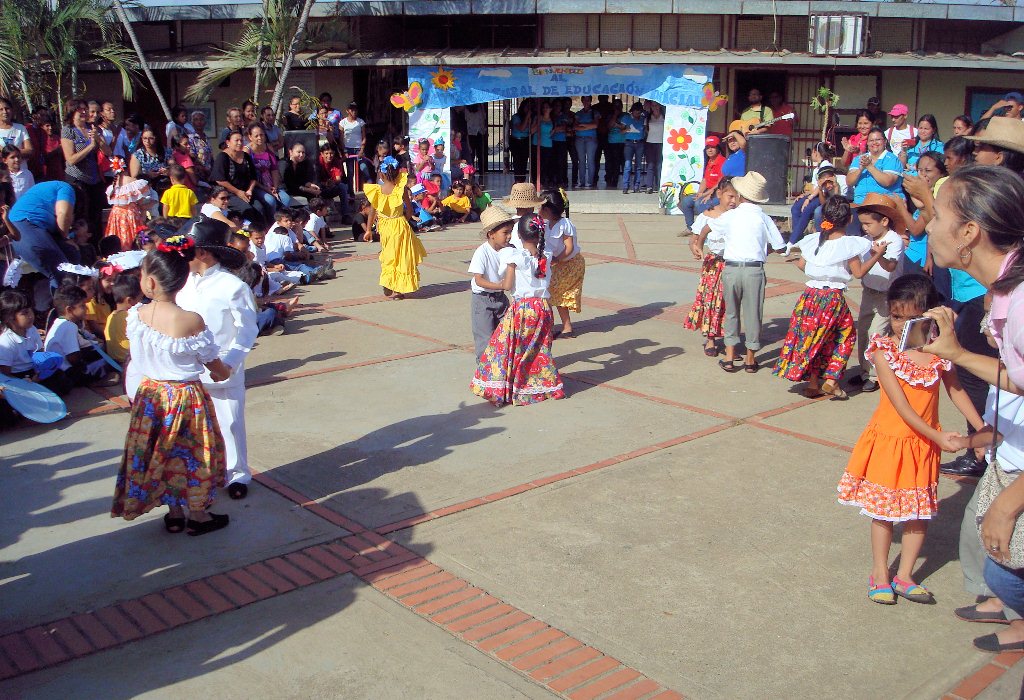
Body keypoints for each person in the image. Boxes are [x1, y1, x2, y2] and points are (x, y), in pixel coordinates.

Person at [913, 166, 1024, 652]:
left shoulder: (1020, 302)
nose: (928, 226)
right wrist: (957, 355)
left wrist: (1011, 499)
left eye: (936, 216)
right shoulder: (1002, 291)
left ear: (969, 233)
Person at [837, 273, 982, 604]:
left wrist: (980, 428)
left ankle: (904, 576)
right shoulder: (884, 351)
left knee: (919, 512)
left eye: (909, 316)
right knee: (885, 512)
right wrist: (939, 436)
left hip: (924, 446)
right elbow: (901, 407)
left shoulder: (939, 351)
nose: (901, 324)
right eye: (896, 316)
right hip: (892, 441)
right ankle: (879, 573)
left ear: (929, 313)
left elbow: (956, 389)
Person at [113, 235, 231, 534]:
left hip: (150, 395)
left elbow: (137, 358)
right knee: (193, 456)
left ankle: (174, 513)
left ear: (150, 282)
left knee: (160, 453)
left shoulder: (135, 316)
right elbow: (216, 368)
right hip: (184, 398)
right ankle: (198, 516)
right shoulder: (190, 320)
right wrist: (224, 371)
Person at [175, 219, 258, 500]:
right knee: (193, 428)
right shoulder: (182, 285)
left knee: (231, 422)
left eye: (188, 249)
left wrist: (231, 362)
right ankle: (204, 471)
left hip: (223, 366)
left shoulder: (232, 286)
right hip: (188, 368)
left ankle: (237, 474)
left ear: (203, 253)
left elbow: (247, 328)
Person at [774, 196, 886, 399]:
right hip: (832, 297)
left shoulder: (815, 240)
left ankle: (813, 384)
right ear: (849, 219)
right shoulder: (849, 245)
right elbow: (858, 272)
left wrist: (819, 271)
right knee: (845, 336)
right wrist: (878, 255)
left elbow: (801, 264)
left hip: (810, 296)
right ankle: (832, 379)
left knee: (817, 338)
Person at [471, 214, 565, 406]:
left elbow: (506, 283)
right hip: (543, 308)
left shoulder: (513, 256)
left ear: (518, 236)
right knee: (538, 350)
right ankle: (541, 385)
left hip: (523, 309)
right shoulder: (545, 254)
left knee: (504, 349)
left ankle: (500, 389)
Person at [707, 172, 785, 373]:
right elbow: (779, 245)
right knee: (753, 314)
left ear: (740, 195)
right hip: (754, 270)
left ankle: (730, 356)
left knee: (732, 313)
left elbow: (710, 227)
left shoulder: (731, 216)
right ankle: (751, 359)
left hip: (732, 268)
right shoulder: (764, 218)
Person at [847, 194, 905, 394]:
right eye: (863, 224)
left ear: (884, 221)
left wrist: (878, 256)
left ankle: (875, 375)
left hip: (887, 294)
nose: (865, 228)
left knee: (876, 333)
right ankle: (865, 371)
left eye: (869, 224)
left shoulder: (894, 240)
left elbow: (890, 266)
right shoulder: (866, 240)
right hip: (869, 291)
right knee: (863, 331)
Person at [685, 177, 738, 356]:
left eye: (737, 197)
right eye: (730, 196)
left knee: (731, 304)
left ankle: (730, 342)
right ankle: (710, 339)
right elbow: (693, 240)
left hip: (734, 264)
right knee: (711, 302)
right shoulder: (706, 215)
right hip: (714, 265)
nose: (733, 201)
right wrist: (696, 248)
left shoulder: (739, 216)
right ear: (719, 194)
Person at [363, 156, 425, 299]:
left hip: (384, 227)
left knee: (388, 255)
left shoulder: (378, 190)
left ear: (382, 174)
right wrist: (405, 219)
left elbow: (372, 211)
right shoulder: (401, 190)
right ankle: (397, 290)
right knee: (401, 256)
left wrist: (368, 230)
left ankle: (389, 281)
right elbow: (409, 210)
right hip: (399, 225)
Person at [8, 180, 75, 301]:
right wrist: (66, 237)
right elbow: (63, 215)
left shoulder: (44, 189)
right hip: (27, 228)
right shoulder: (66, 188)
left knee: (70, 255)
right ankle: (63, 315)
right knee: (66, 276)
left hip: (18, 231)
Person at [0, 289, 72, 397]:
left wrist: (43, 368)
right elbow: (5, 374)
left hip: (34, 369)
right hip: (19, 376)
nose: (30, 316)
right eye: (24, 313)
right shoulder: (6, 341)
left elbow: (39, 352)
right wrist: (27, 381)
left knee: (61, 378)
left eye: (30, 311)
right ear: (10, 318)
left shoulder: (31, 329)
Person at [468, 206, 517, 358]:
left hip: (500, 298)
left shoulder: (510, 249)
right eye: (505, 233)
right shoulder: (482, 252)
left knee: (507, 333)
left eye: (510, 232)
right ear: (491, 234)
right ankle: (484, 371)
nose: (509, 236)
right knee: (485, 338)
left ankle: (503, 366)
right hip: (483, 300)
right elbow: (479, 279)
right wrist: (500, 285)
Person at [61, 98, 110, 239]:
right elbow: (71, 159)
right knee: (81, 215)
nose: (84, 112)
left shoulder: (92, 128)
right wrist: (90, 146)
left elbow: (107, 152)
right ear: (72, 111)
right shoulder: (68, 130)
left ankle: (96, 247)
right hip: (77, 179)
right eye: (80, 109)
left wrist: (98, 140)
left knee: (95, 216)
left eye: (84, 109)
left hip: (94, 180)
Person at [540, 191, 583, 339]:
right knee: (553, 293)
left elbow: (569, 247)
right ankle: (561, 326)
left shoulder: (565, 224)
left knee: (556, 293)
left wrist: (557, 259)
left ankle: (564, 327)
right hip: (556, 263)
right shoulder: (546, 224)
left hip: (570, 264)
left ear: (547, 210)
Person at [787, 142, 836, 254]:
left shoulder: (826, 166)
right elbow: (814, 186)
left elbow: (822, 186)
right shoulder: (816, 168)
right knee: (796, 207)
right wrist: (804, 195)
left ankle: (792, 241)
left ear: (815, 152)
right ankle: (797, 237)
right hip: (814, 194)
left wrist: (809, 198)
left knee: (807, 209)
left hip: (823, 195)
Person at [211, 131, 268, 228]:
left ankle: (263, 232)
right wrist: (237, 192)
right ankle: (250, 233)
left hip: (246, 192)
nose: (239, 143)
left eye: (241, 140)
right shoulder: (222, 157)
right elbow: (219, 179)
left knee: (259, 208)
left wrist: (249, 190)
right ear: (228, 142)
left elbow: (253, 177)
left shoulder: (246, 156)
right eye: (236, 140)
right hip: (228, 193)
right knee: (246, 209)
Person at [679, 136, 725, 234]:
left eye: (712, 147)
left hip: (717, 192)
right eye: (708, 148)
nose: (710, 150)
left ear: (718, 148)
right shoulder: (709, 161)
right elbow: (705, 180)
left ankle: (703, 231)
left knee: (699, 203)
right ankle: (691, 228)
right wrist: (699, 192)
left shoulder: (722, 161)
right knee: (686, 201)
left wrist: (705, 195)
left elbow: (719, 183)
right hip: (707, 191)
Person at [846, 128, 904, 205]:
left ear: (885, 141)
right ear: (867, 143)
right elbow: (849, 182)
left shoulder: (892, 159)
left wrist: (869, 166)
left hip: (884, 203)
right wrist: (860, 169)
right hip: (860, 203)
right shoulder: (859, 159)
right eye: (871, 140)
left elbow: (887, 181)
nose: (874, 143)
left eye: (878, 140)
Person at [105, 155, 151, 250]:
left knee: (118, 237)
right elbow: (140, 202)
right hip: (130, 214)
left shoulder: (112, 187)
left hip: (116, 215)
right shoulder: (134, 183)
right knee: (134, 238)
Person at [246, 123, 289, 212]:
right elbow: (249, 175)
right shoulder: (247, 151)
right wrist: (266, 189)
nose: (259, 138)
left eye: (261, 135)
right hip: (256, 186)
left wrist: (275, 187)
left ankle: (284, 222)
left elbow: (274, 169)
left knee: (286, 199)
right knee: (271, 200)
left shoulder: (268, 147)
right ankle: (272, 223)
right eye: (256, 136)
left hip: (271, 184)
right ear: (250, 137)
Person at [104, 273, 142, 366]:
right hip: (127, 361)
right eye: (140, 299)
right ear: (129, 301)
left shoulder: (111, 316)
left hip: (113, 362)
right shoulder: (130, 317)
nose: (140, 302)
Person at [129, 128, 169, 207]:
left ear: (156, 138)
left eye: (151, 138)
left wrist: (167, 170)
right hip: (147, 189)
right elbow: (134, 176)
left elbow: (173, 166)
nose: (147, 141)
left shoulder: (166, 151)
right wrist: (147, 174)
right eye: (145, 138)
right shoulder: (137, 155)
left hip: (164, 186)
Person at [619, 102, 647, 195]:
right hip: (629, 143)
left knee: (638, 166)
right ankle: (625, 186)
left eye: (639, 112)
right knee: (627, 165)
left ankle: (636, 186)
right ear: (632, 111)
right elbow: (621, 131)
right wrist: (626, 129)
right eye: (636, 112)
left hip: (640, 143)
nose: (637, 114)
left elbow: (646, 131)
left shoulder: (643, 119)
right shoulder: (626, 118)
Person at [339, 102, 366, 195]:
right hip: (348, 149)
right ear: (347, 111)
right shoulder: (343, 122)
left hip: (359, 149)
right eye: (351, 109)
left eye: (355, 109)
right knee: (350, 173)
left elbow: (364, 137)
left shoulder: (361, 122)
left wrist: (362, 149)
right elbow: (341, 138)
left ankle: (367, 192)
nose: (354, 111)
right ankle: (351, 193)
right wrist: (344, 150)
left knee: (364, 169)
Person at [573, 96, 598, 190]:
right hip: (579, 139)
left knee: (590, 160)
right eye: (584, 100)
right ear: (582, 101)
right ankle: (581, 181)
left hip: (591, 139)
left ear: (591, 101)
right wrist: (588, 126)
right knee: (581, 161)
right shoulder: (578, 113)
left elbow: (595, 125)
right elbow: (575, 127)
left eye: (588, 100)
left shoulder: (595, 113)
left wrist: (582, 125)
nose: (586, 102)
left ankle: (589, 182)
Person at [642, 101, 664, 194]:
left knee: (659, 166)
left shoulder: (665, 117)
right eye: (653, 106)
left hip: (661, 143)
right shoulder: (647, 118)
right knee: (650, 165)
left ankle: (659, 185)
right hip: (650, 143)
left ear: (660, 106)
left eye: (656, 105)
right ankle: (649, 186)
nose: (655, 107)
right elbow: (645, 130)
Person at [0, 97, 32, 161]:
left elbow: (30, 151)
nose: (5, 112)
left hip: (21, 169)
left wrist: (7, 152)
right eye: (1, 109)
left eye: (7, 108)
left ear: (12, 110)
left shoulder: (20, 128)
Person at [509, 101, 532, 184]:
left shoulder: (530, 117)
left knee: (524, 161)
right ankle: (517, 180)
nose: (528, 109)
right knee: (517, 161)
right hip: (516, 141)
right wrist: (527, 117)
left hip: (525, 140)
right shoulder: (516, 117)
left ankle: (522, 180)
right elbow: (521, 128)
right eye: (526, 107)